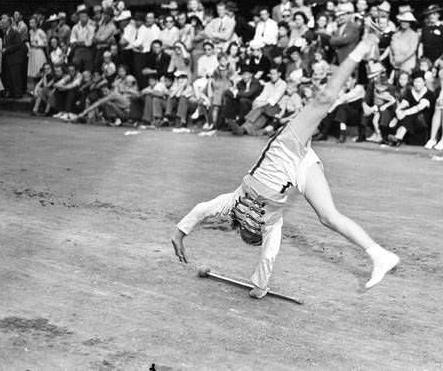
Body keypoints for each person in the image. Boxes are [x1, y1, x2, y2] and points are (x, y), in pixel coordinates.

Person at [171, 27, 399, 298]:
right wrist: (260, 286)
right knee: (328, 217)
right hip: (299, 167)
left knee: (324, 99)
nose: (251, 229)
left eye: (247, 231)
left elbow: (201, 209)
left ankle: (364, 46)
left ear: (240, 226)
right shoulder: (273, 224)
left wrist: (179, 233)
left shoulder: (231, 202)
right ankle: (380, 255)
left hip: (285, 146)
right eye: (253, 235)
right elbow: (268, 256)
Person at [387, 70, 435, 147]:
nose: (417, 84)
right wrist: (398, 112)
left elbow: (419, 108)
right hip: (412, 121)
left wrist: (404, 113)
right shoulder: (410, 92)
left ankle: (398, 136)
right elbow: (404, 103)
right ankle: (398, 138)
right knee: (407, 112)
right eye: (415, 82)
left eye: (419, 82)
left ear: (424, 82)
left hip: (423, 120)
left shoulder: (429, 94)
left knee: (411, 113)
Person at [0, 14, 27, 99]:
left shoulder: (15, 32)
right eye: (1, 23)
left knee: (16, 77)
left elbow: (18, 44)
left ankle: (18, 94)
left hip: (15, 59)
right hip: (9, 59)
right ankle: (12, 93)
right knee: (10, 78)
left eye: (4, 23)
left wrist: (6, 49)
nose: (2, 25)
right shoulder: (5, 33)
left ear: (9, 23)